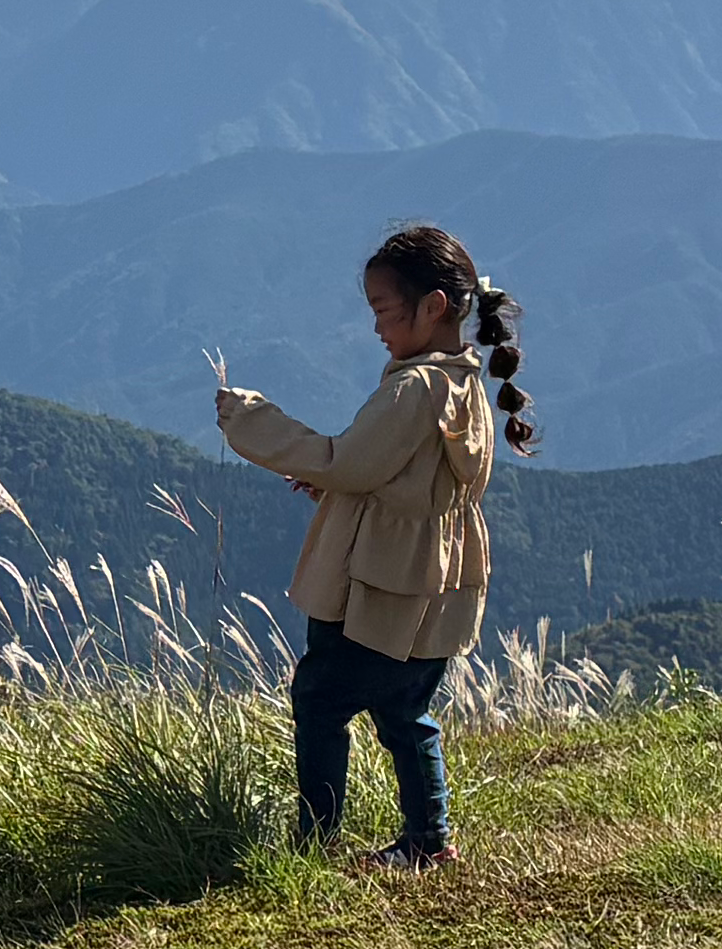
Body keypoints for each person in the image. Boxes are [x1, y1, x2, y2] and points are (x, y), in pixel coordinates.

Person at [211, 220, 534, 872]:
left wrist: (249, 420)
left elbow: (348, 462)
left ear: (432, 307)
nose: (377, 327)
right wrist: (348, 481)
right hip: (436, 583)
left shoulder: (414, 387)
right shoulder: (464, 383)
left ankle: (315, 843)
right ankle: (428, 840)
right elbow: (407, 477)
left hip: (377, 585)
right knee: (404, 707)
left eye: (384, 310)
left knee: (321, 698)